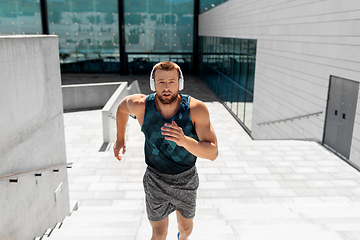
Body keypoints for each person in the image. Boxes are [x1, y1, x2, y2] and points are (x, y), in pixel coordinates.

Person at [113, 61, 218, 240]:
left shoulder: (195, 109)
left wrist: (184, 141)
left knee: (186, 228)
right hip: (155, 179)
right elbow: (122, 108)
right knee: (159, 233)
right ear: (153, 84)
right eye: (161, 82)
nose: (166, 87)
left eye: (172, 81)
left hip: (186, 179)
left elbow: (212, 153)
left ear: (180, 83)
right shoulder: (141, 106)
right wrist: (120, 138)